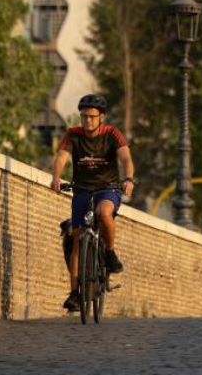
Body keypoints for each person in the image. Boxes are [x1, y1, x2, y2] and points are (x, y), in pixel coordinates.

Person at [51, 93, 136, 312]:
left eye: (91, 117)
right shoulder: (73, 135)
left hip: (108, 188)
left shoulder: (111, 134)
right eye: (84, 116)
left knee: (104, 213)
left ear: (101, 118)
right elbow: (62, 156)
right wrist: (56, 178)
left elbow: (125, 157)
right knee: (77, 237)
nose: (87, 121)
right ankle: (74, 294)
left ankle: (109, 252)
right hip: (82, 189)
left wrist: (128, 178)